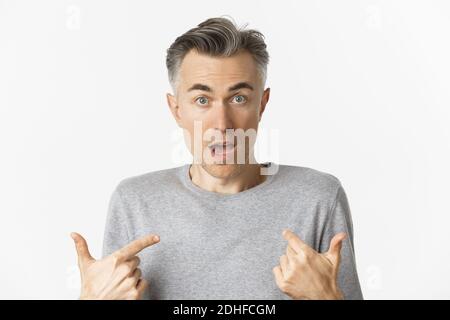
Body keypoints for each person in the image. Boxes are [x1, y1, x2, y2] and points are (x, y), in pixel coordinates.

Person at [71, 16, 363, 300]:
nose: (222, 123)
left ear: (262, 104)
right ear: (176, 110)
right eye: (202, 100)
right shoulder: (134, 201)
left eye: (239, 98)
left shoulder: (318, 198)